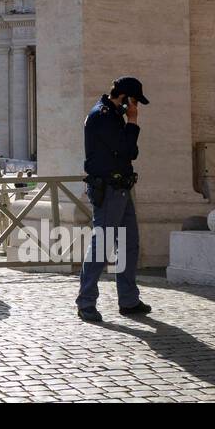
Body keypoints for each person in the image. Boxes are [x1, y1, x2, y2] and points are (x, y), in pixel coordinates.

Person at [76, 76, 149, 323]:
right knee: (102, 245)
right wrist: (134, 121)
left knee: (130, 244)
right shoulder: (103, 115)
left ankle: (128, 300)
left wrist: (130, 123)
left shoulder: (113, 114)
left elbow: (131, 151)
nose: (135, 106)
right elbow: (129, 150)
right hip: (109, 188)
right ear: (125, 97)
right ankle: (86, 302)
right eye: (134, 101)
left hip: (122, 188)